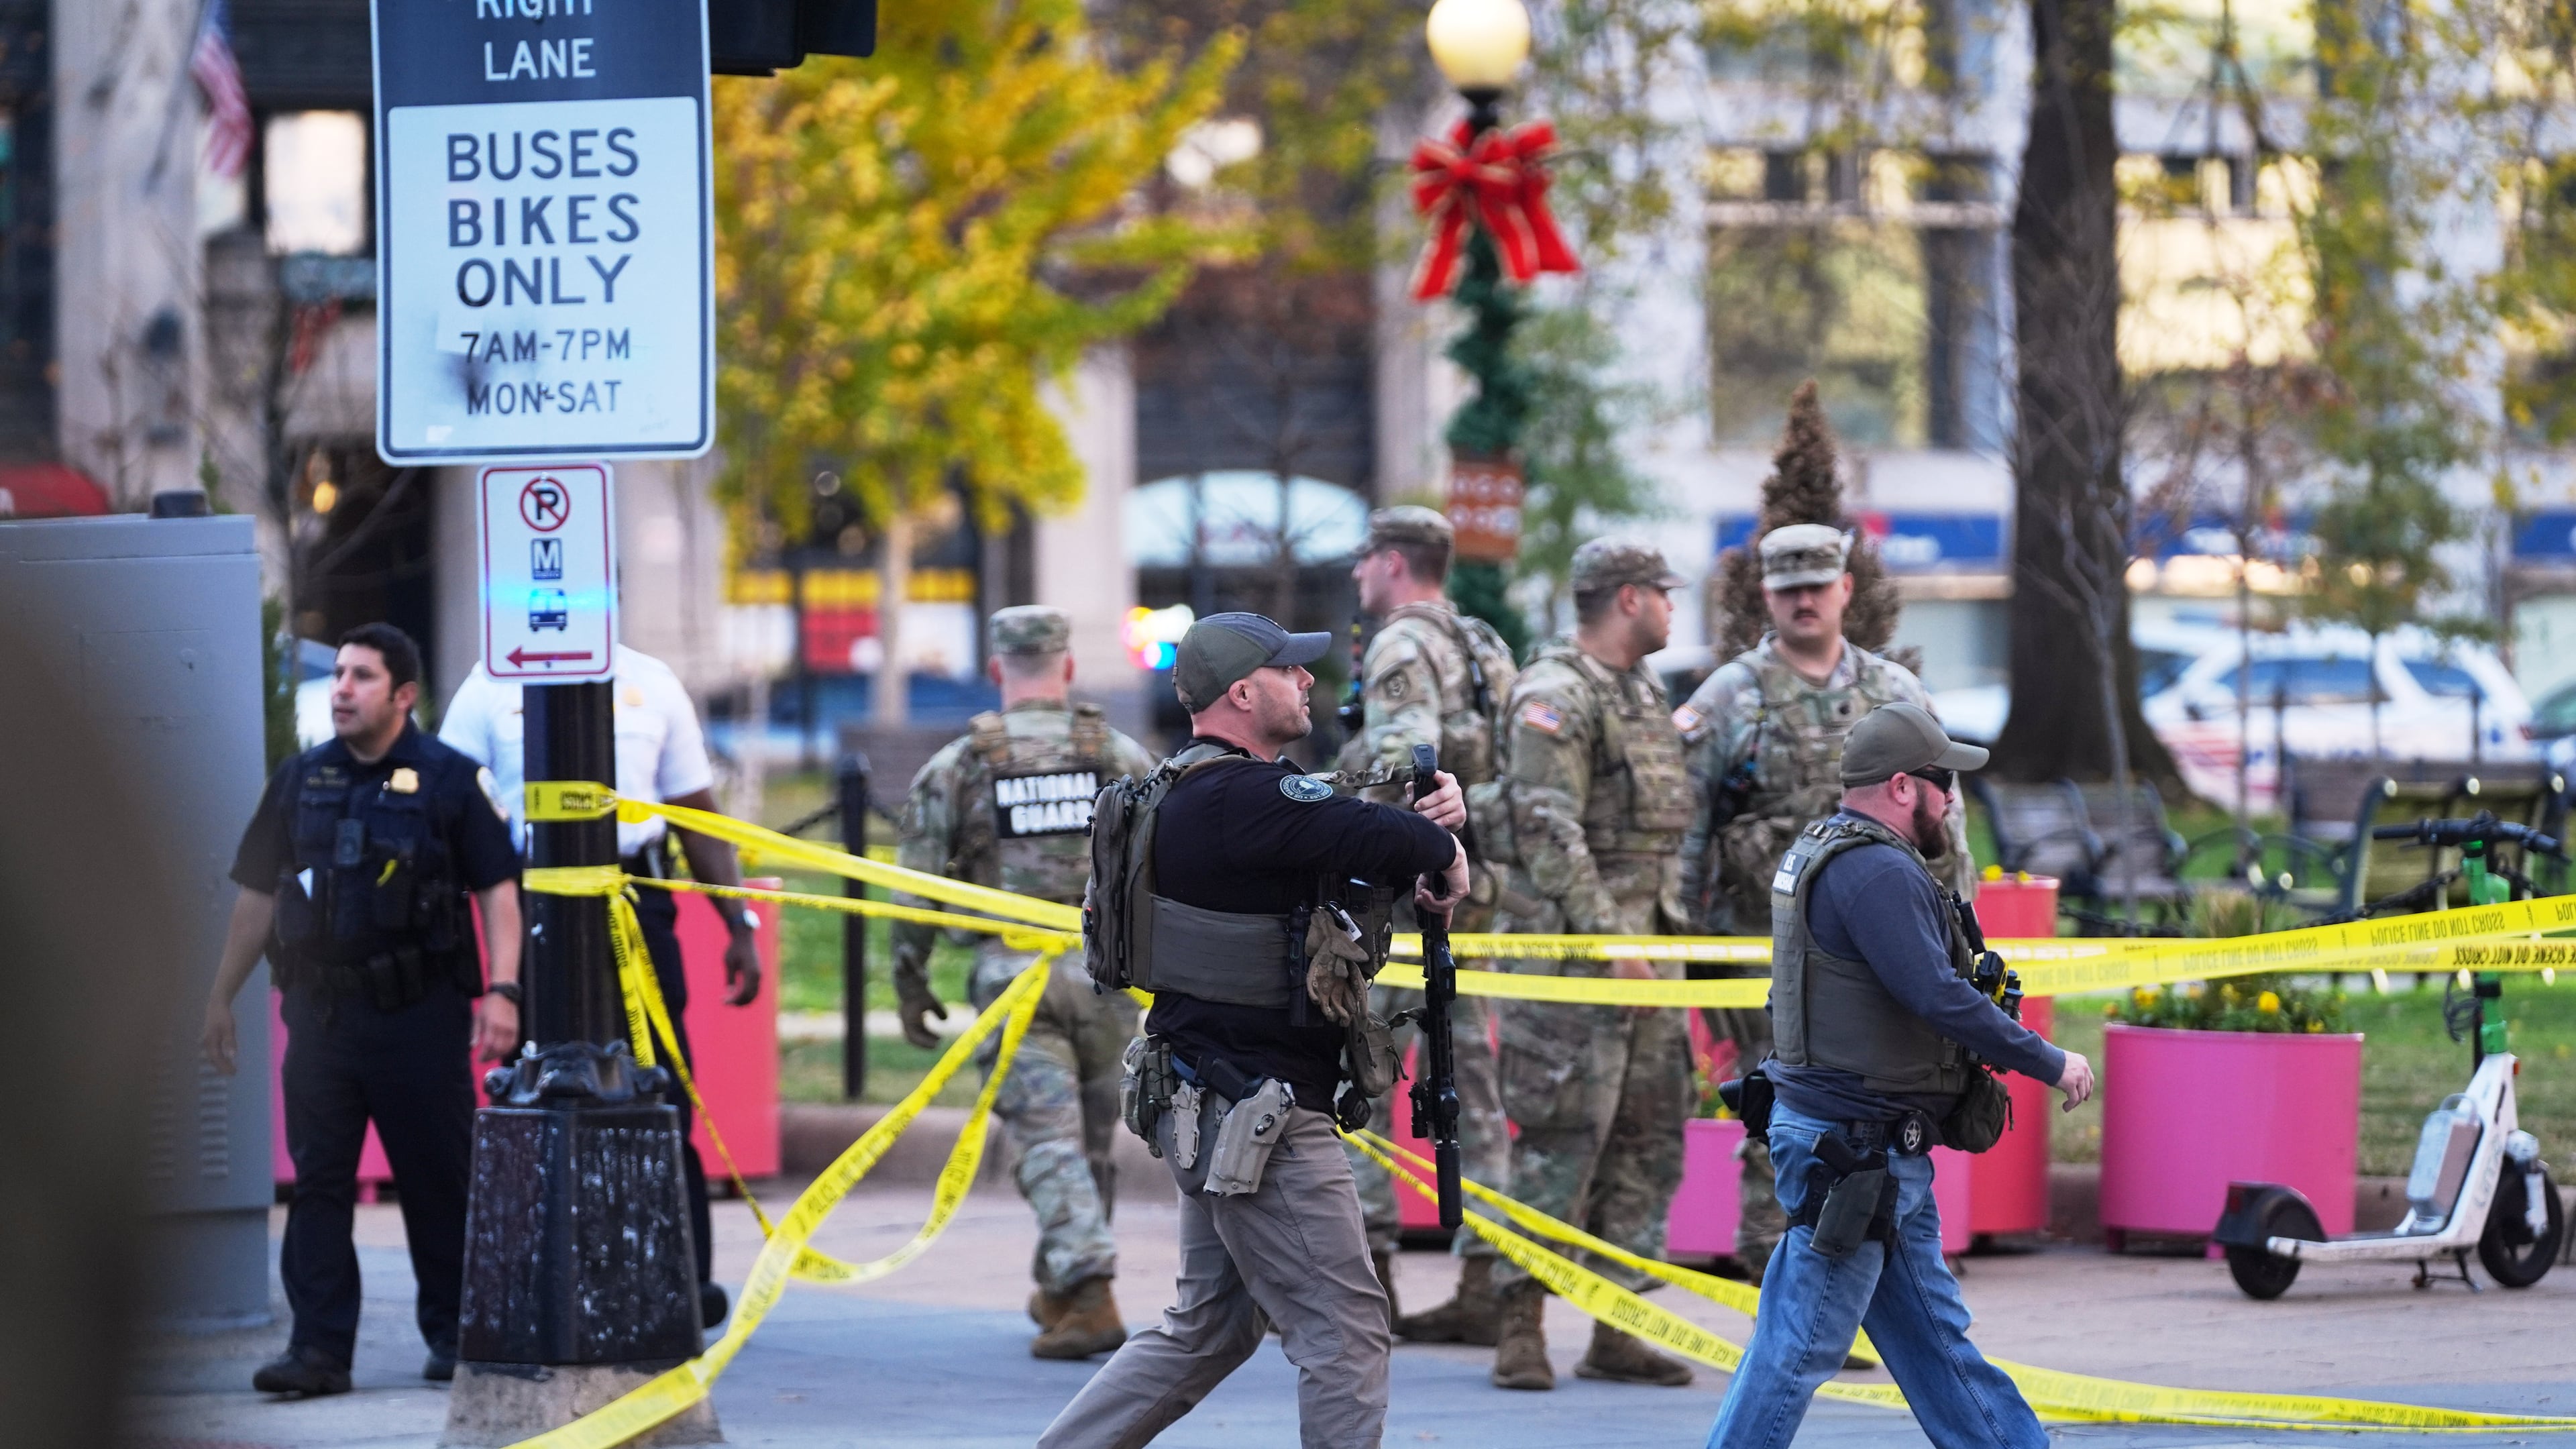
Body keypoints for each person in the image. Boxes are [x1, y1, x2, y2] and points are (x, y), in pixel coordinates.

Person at [1038, 612, 1469, 1449]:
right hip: (1260, 1113)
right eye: (1289, 671)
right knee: (1346, 1331)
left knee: (1210, 1328)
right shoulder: (1238, 797)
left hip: (1214, 1097)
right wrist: (1444, 848)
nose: (1308, 682)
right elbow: (1376, 831)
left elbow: (1349, 836)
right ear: (1243, 692)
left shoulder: (1197, 792)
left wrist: (1437, 820)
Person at [1703, 702, 2095, 1449]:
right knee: (1798, 1348)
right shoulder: (1877, 870)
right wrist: (2049, 1060)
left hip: (1868, 1147)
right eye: (1944, 780)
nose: (1953, 797)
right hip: (1854, 1149)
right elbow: (1937, 995)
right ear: (1903, 786)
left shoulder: (1823, 849)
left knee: (1935, 1344)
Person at [199, 625, 522, 1397]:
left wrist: (504, 991)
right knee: (318, 1187)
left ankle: (454, 1334)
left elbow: (498, 893)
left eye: (362, 677)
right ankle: (318, 1352)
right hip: (324, 1018)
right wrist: (220, 996)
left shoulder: (452, 781)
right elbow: (257, 895)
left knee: (438, 1178)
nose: (342, 688)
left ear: (404, 696)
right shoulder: (299, 780)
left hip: (421, 1013)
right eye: (339, 674)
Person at [1674, 523, 1969, 1280]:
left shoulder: (1893, 694)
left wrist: (1959, 934)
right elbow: (1686, 830)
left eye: (1817, 585)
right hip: (1759, 943)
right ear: (1766, 596)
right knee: (1779, 1101)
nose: (1805, 601)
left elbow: (1946, 820)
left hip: (1878, 955)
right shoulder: (1730, 698)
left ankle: (1865, 1264)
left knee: (1877, 1103)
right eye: (1788, 589)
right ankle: (1775, 1264)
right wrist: (1674, 943)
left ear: (1845, 589)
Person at [439, 641, 761, 1330]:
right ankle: (541, 1279)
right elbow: (448, 804)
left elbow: (694, 811)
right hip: (537, 902)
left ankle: (681, 1280)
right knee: (538, 1092)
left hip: (635, 899)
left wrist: (739, 921)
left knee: (661, 1081)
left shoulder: (652, 678)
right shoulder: (490, 681)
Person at [892, 606, 1159, 1359]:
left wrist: (910, 982)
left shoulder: (962, 764)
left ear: (998, 669)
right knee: (1091, 1142)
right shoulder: (1118, 754)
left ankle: (1092, 1287)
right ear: (1069, 668)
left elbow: (914, 886)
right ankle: (1065, 1288)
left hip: (1016, 983)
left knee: (1047, 1140)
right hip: (1108, 978)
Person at [1485, 540, 1698, 1393]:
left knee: (1648, 1141)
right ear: (1629, 599)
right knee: (1559, 1144)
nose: (1673, 611)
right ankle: (1518, 1319)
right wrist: (1613, 942)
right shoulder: (1555, 694)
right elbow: (1547, 829)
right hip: (1577, 967)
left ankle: (1619, 1326)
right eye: (1664, 597)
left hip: (1654, 955)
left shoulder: (1640, 691)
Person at [1335, 506, 1517, 1342]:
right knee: (1475, 1093)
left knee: (1360, 1078)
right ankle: (1487, 1280)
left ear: (1393, 563)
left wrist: (1326, 806)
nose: (1356, 575)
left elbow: (1406, 769)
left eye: (1363, 559)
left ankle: (1367, 1281)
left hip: (1406, 906)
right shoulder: (1485, 644)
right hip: (1479, 896)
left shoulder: (1400, 646)